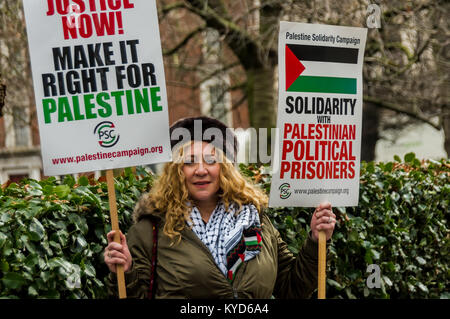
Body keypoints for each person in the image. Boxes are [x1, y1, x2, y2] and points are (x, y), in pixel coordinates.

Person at [104, 116, 336, 298]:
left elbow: (291, 288)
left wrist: (316, 242)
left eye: (212, 160)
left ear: (226, 168)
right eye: (189, 161)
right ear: (175, 171)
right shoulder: (150, 230)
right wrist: (125, 273)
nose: (201, 170)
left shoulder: (256, 220)